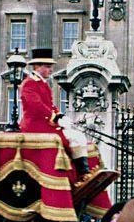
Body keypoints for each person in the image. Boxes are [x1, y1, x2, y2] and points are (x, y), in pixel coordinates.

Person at [18, 47, 92, 179]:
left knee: (78, 137)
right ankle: (82, 174)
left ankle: (82, 172)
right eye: (47, 66)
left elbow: (50, 105)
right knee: (76, 138)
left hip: (45, 123)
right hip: (35, 126)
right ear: (37, 66)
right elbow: (36, 106)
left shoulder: (43, 83)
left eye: (50, 66)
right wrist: (55, 117)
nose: (51, 69)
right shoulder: (29, 83)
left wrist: (61, 115)